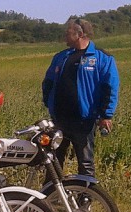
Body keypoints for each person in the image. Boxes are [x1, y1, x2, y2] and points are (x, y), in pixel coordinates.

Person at [41, 18, 119, 177]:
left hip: (84, 120)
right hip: (60, 118)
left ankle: (85, 197)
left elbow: (110, 87)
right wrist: (48, 102)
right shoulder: (61, 57)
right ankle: (51, 195)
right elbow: (48, 81)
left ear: (80, 34)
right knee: (54, 158)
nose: (64, 36)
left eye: (68, 33)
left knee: (85, 161)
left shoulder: (102, 58)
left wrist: (106, 115)